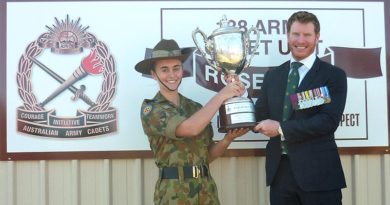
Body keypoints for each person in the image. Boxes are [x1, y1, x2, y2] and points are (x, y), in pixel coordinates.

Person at [135, 39, 249, 205]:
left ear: (183, 70)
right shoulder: (151, 110)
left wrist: (227, 140)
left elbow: (207, 155)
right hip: (174, 194)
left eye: (176, 68)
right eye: (164, 70)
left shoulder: (195, 108)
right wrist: (222, 95)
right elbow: (189, 129)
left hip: (205, 190)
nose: (172, 75)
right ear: (154, 74)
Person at [253, 11, 347, 205]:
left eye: (307, 35)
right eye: (296, 34)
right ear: (288, 36)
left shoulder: (333, 76)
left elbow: (327, 121)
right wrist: (238, 96)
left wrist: (280, 128)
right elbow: (260, 114)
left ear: (317, 37)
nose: (300, 40)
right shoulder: (273, 76)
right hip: (280, 174)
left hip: (319, 176)